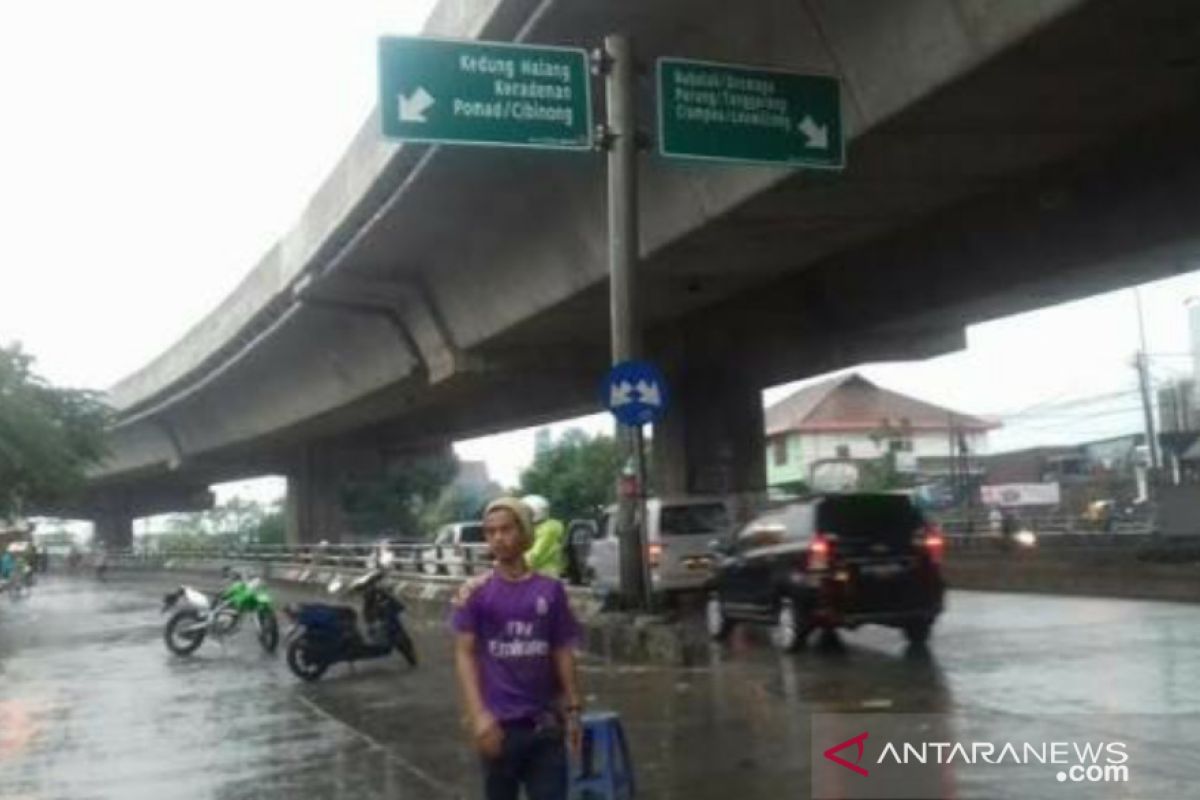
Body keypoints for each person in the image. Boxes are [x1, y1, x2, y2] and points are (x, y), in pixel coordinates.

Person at [452, 497, 583, 800]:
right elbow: (464, 653)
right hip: (499, 728)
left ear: (524, 533)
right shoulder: (475, 592)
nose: (498, 537)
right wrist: (478, 716)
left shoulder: (550, 591)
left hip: (546, 725)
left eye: (506, 529)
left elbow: (561, 648)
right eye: (490, 531)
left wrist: (574, 709)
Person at [521, 495, 566, 579]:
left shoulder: (548, 530)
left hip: (545, 574)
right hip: (536, 572)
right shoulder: (537, 527)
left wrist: (515, 562)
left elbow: (535, 555)